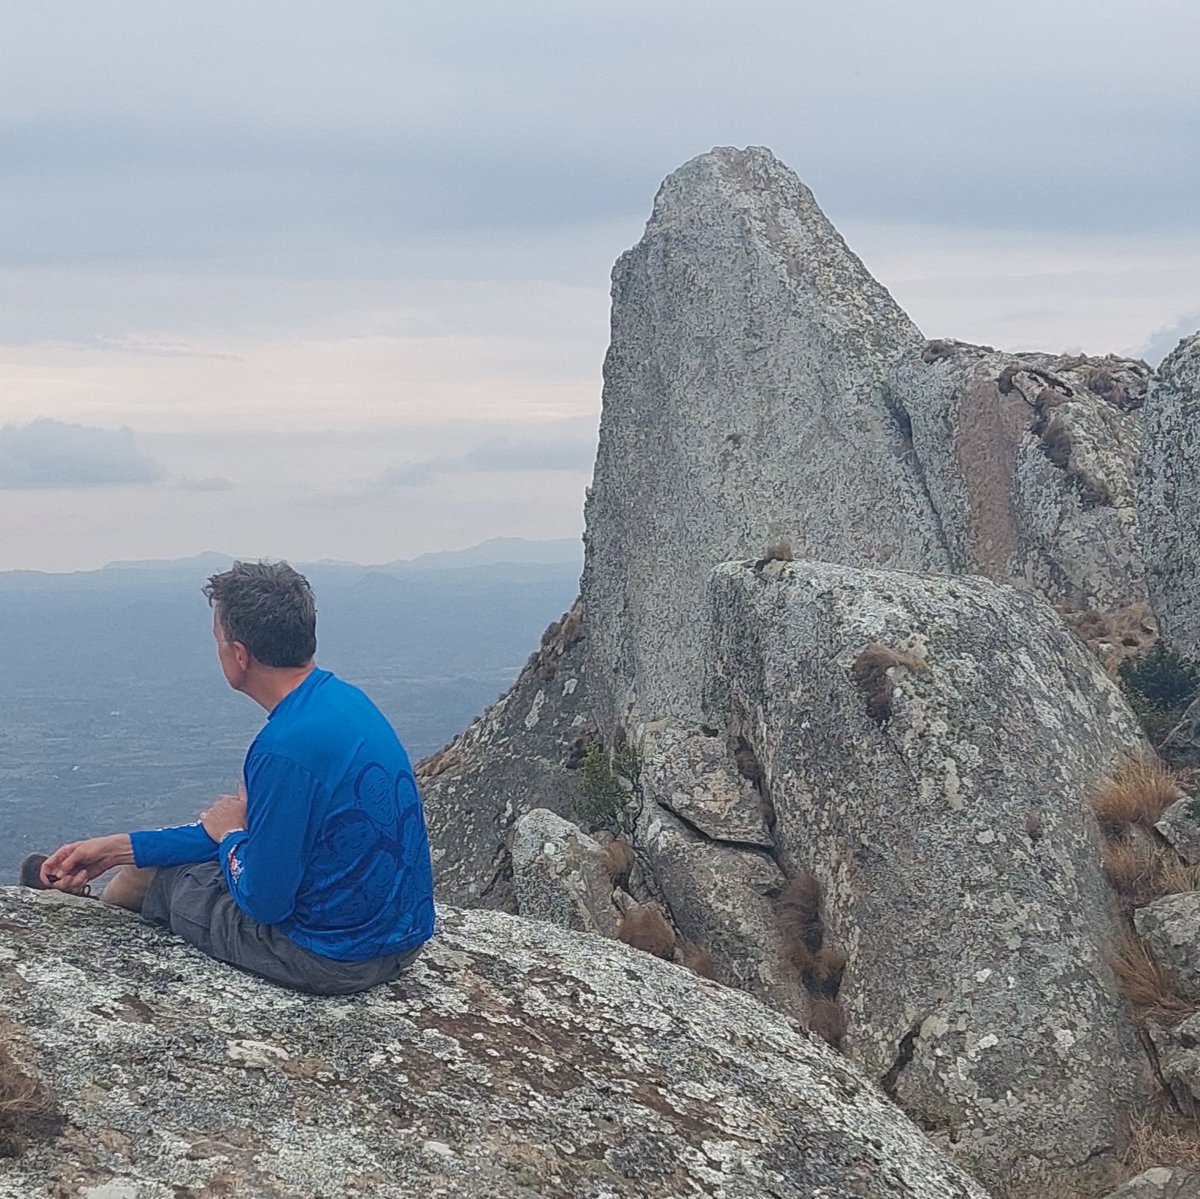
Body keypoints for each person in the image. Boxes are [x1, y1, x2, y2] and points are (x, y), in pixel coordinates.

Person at [21, 560, 435, 995]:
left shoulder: (285, 749)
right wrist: (117, 849)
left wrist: (231, 835)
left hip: (328, 958)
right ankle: (103, 891)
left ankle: (89, 930)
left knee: (152, 877)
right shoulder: (343, 703)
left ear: (239, 655)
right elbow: (257, 832)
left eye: (217, 641)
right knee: (153, 861)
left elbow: (264, 900)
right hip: (397, 942)